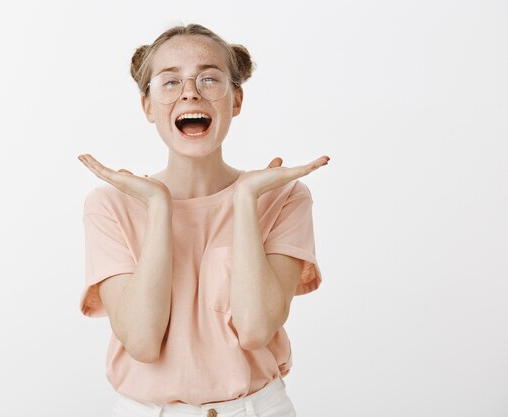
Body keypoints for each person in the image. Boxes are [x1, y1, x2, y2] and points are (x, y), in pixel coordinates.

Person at [77, 23, 329, 417]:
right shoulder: (111, 205)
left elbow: (256, 329)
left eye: (209, 78)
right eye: (170, 81)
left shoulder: (283, 198)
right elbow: (142, 341)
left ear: (236, 100)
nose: (190, 91)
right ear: (147, 106)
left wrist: (245, 199)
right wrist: (159, 206)